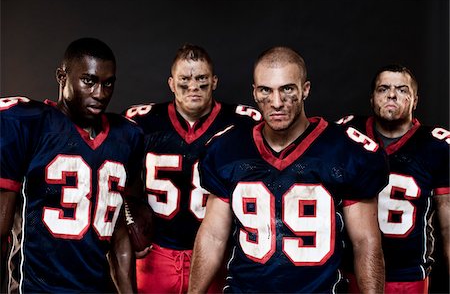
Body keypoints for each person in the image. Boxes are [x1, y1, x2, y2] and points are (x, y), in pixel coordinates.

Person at [188, 46, 390, 293]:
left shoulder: (346, 150)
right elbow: (212, 236)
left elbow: (365, 242)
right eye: (265, 90)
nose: (276, 102)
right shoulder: (227, 149)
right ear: (254, 92)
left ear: (305, 89)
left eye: (287, 89)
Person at [0, 37, 143, 293]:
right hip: (37, 287)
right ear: (62, 76)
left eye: (108, 83)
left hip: (96, 286)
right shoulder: (29, 124)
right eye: (89, 81)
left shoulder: (126, 137)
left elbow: (117, 227)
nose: (100, 94)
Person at [123, 43, 261, 293]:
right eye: (185, 79)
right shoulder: (142, 122)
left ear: (215, 81)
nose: (194, 86)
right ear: (171, 83)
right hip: (155, 254)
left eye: (202, 79)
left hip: (217, 254)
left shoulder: (242, 124)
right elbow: (111, 174)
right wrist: (127, 220)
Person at [337, 64, 450, 293]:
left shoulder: (436, 146)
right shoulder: (348, 134)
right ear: (371, 98)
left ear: (415, 100)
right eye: (383, 89)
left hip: (408, 276)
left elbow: (448, 226)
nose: (391, 94)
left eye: (401, 89)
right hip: (353, 270)